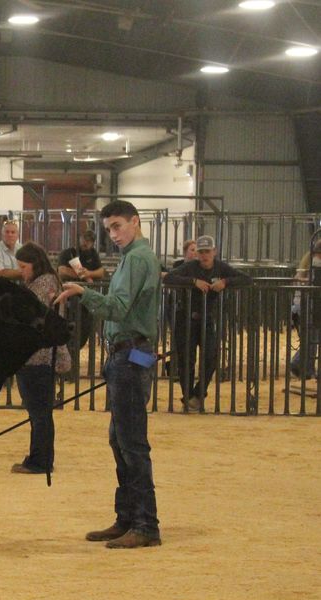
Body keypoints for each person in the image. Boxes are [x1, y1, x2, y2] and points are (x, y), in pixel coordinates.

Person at [55, 199, 162, 549]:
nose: (113, 234)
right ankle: (128, 518)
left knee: (131, 442)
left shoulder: (136, 259)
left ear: (135, 222)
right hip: (131, 353)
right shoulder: (136, 258)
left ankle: (145, 524)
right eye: (108, 229)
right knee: (122, 440)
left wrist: (83, 292)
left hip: (130, 355)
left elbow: (118, 307)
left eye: (117, 226)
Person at [162, 235, 252, 411]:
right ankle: (188, 397)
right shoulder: (189, 267)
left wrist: (225, 282)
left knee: (211, 357)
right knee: (186, 359)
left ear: (214, 252)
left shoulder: (221, 267)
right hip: (186, 319)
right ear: (196, 254)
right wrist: (193, 282)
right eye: (201, 252)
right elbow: (169, 278)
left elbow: (246, 279)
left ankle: (198, 393)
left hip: (208, 318)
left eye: (207, 252)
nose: (204, 255)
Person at [12, 243, 63, 475]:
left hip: (37, 357)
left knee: (39, 411)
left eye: (23, 266)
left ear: (34, 264)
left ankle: (40, 461)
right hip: (34, 355)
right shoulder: (43, 282)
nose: (21, 271)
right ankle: (37, 456)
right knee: (38, 411)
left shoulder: (43, 285)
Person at [290, 237, 321, 380]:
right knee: (311, 338)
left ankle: (305, 368)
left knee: (311, 337)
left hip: (302, 305)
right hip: (309, 304)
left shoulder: (308, 263)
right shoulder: (316, 264)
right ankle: (300, 365)